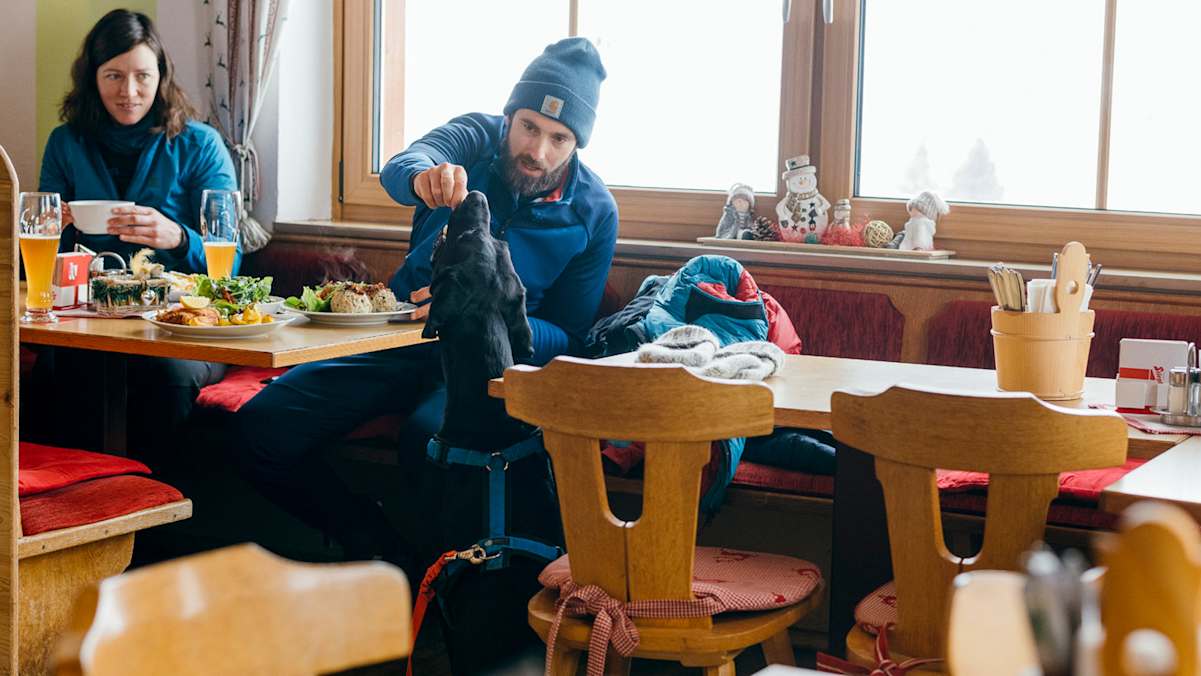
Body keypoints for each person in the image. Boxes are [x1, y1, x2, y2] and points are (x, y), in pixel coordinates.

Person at [233, 38, 617, 564]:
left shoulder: (595, 212)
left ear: (578, 145)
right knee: (258, 431)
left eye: (559, 138)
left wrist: (486, 309)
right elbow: (403, 165)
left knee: (426, 443)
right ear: (509, 118)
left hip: (482, 367)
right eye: (529, 127)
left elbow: (568, 336)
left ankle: (432, 592)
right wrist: (423, 176)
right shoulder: (477, 136)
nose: (538, 152)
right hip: (396, 337)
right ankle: (369, 541)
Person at [32, 9, 239, 453]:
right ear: (93, 77)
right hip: (89, 321)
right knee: (57, 363)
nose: (129, 92)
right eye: (114, 76)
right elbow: (42, 258)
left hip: (182, 325)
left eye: (143, 76)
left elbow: (230, 263)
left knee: (165, 373)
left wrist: (178, 238)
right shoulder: (66, 144)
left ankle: (156, 508)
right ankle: (84, 507)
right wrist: (59, 228)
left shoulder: (199, 144)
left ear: (161, 76)